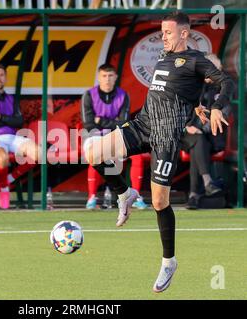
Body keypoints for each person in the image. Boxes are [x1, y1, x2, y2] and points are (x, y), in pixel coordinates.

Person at [83, 12, 234, 293]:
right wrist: (194, 105)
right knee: (92, 152)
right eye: (162, 32)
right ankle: (124, 193)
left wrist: (215, 106)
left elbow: (227, 82)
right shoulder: (163, 58)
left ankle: (168, 261)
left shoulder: (196, 59)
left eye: (167, 32)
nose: (163, 36)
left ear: (185, 33)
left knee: (159, 202)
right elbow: (179, 91)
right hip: (143, 124)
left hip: (166, 137)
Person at [81, 63, 147, 210]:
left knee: (137, 156)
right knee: (95, 152)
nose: (107, 79)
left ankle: (136, 197)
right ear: (99, 77)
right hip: (94, 135)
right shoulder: (88, 95)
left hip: (115, 135)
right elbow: (89, 124)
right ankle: (92, 197)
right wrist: (111, 123)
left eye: (110, 76)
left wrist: (102, 121)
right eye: (104, 76)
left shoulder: (123, 95)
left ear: (115, 77)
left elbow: (123, 122)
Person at [0, 64, 41, 209]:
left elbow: (19, 121)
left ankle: (7, 179)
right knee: (2, 158)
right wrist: (7, 119)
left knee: (39, 153)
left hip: (12, 136)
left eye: (1, 75)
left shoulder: (11, 98)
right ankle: (5, 189)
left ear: (5, 78)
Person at [181, 54, 232, 209]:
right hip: (185, 135)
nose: (209, 71)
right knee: (197, 140)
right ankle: (207, 182)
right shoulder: (192, 84)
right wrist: (186, 126)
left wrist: (201, 128)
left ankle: (194, 195)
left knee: (199, 142)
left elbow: (225, 112)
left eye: (214, 68)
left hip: (211, 137)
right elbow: (181, 109)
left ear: (220, 69)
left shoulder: (225, 88)